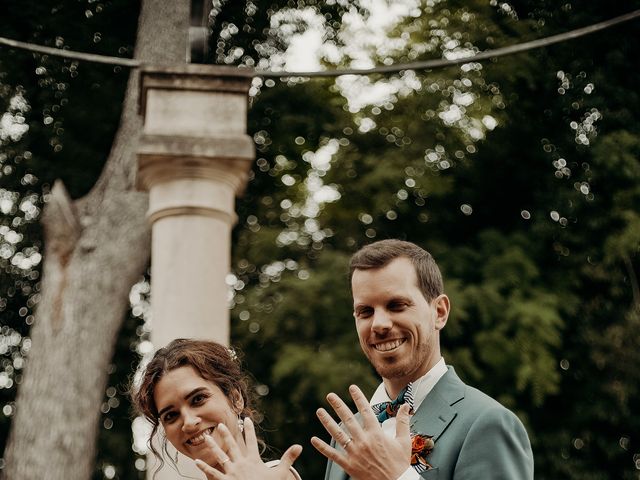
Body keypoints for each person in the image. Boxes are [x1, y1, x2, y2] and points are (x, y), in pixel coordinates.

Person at [311, 239, 534, 480]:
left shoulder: (487, 423)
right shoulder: (346, 432)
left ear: (439, 312)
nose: (379, 324)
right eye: (366, 311)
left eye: (396, 305)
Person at [131, 338, 302, 480]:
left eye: (198, 399)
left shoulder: (278, 476)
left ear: (236, 399)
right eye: (171, 415)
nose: (189, 423)